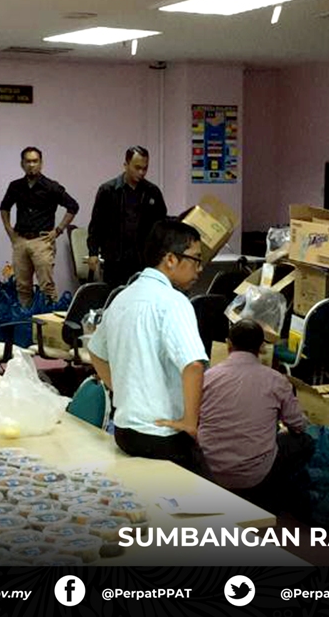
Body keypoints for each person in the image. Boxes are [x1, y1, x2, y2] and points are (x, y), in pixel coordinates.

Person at [87, 219, 208, 469]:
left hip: (124, 432)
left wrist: (122, 390)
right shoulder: (174, 302)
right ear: (170, 259)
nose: (199, 269)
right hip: (163, 436)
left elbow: (96, 352)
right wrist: (189, 422)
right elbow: (193, 365)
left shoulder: (122, 297)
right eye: (196, 259)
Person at [196, 319, 313, 513]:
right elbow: (298, 425)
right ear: (262, 347)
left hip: (210, 470)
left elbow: (194, 419)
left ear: (228, 344)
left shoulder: (207, 377)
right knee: (304, 442)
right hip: (256, 474)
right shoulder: (276, 380)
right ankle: (273, 500)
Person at [0, 146, 79, 307]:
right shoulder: (15, 186)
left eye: (35, 161)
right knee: (22, 286)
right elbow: (4, 208)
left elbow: (73, 206)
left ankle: (49, 320)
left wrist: (58, 230)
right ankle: (26, 319)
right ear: (22, 164)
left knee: (46, 286)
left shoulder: (51, 187)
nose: (31, 165)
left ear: (41, 163)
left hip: (42, 241)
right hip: (20, 240)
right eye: (28, 161)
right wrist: (9, 231)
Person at [87, 146, 167, 287]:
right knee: (115, 294)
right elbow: (96, 225)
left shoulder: (152, 192)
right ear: (126, 165)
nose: (141, 172)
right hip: (115, 258)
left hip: (143, 259)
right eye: (137, 168)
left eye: (145, 168)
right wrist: (93, 253)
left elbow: (161, 224)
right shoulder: (108, 191)